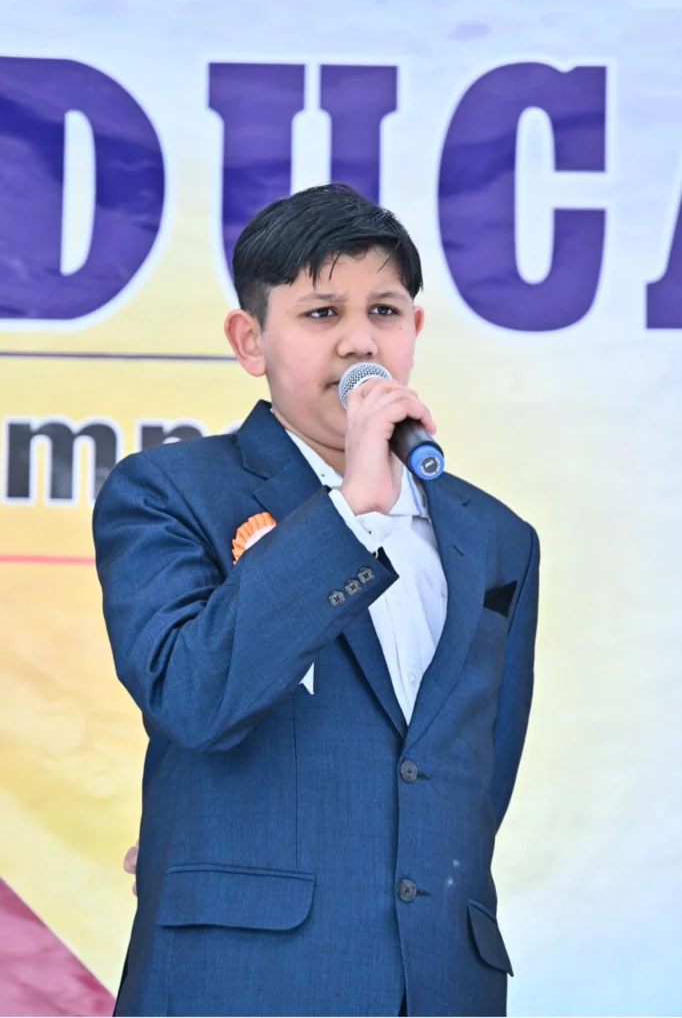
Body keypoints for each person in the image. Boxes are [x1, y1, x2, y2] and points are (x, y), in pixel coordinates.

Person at [93, 183, 540, 1017]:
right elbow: (191, 695)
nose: (359, 340)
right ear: (250, 340)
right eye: (322, 313)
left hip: (442, 982)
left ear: (415, 330)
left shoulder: (496, 537)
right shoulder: (167, 491)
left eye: (385, 311)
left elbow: (477, 775)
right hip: (244, 979)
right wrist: (350, 511)